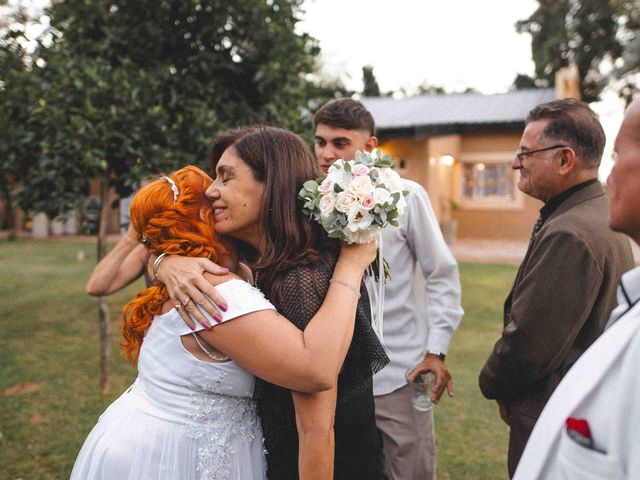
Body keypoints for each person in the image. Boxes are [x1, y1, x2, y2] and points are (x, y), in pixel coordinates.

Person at [71, 164, 380, 479]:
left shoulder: (200, 272)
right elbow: (316, 369)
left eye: (224, 180)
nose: (217, 192)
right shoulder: (217, 292)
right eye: (211, 190)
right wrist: (352, 265)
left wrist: (164, 259)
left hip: (144, 434)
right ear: (206, 218)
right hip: (171, 455)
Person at [158, 127, 389, 479]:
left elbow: (317, 431)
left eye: (226, 177)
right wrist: (164, 263)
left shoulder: (302, 277)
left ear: (272, 185)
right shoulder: (264, 260)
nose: (211, 190)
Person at [478, 98, 634, 477]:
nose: (517, 163)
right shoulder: (590, 212)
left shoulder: (571, 231)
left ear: (564, 160)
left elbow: (530, 344)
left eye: (526, 153)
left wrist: (493, 383)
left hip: (554, 411)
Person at [314, 98, 464, 480]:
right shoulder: (311, 201)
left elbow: (441, 273)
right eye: (320, 142)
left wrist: (436, 349)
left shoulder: (408, 196)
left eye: (339, 143)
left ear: (369, 146)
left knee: (410, 471)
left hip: (400, 370)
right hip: (334, 376)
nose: (327, 153)